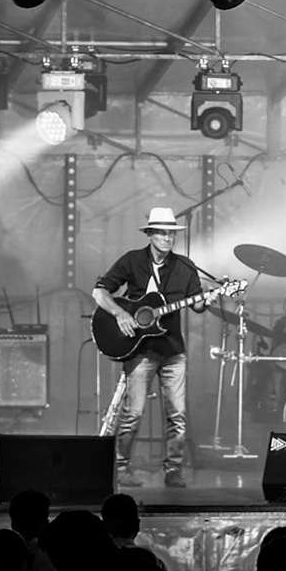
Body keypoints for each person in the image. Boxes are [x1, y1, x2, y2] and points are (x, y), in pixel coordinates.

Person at [91, 206, 211, 488]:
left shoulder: (185, 267)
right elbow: (99, 291)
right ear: (151, 234)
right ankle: (121, 467)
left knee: (177, 414)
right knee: (133, 413)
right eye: (163, 233)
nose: (168, 238)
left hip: (173, 350)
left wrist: (210, 298)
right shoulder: (132, 261)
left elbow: (197, 305)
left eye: (171, 233)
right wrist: (120, 314)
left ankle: (173, 469)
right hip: (140, 350)